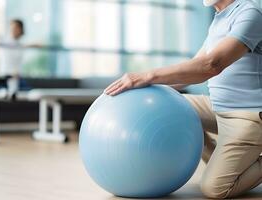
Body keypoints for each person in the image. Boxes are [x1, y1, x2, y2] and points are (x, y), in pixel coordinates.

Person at [105, 0, 262, 198]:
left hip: (248, 117)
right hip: (216, 107)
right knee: (167, 108)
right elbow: (192, 69)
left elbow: (212, 65)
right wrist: (142, 88)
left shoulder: (251, 12)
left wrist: (147, 76)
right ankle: (225, 161)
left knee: (215, 189)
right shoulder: (219, 19)